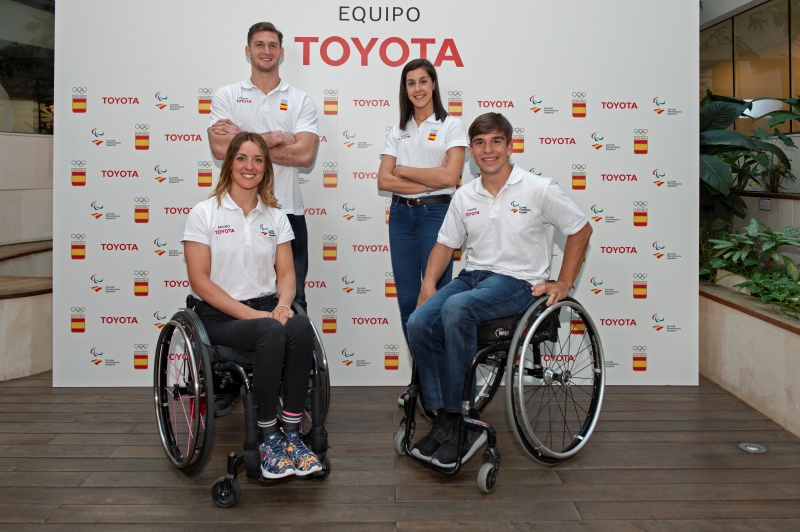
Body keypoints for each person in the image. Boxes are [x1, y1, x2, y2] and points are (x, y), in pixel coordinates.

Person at [406, 112, 593, 468]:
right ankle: (443, 417)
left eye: (495, 141)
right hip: (473, 277)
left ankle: (463, 418)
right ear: (471, 151)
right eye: (479, 143)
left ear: (509, 146)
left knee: (457, 309)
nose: (488, 149)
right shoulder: (465, 195)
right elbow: (445, 244)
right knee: (418, 322)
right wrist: (428, 285)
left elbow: (580, 229)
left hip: (519, 282)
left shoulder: (538, 188)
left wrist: (564, 282)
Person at [183, 131, 322, 479]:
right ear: (229, 163)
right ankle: (267, 436)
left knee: (300, 325)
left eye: (258, 159)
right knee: (270, 331)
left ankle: (292, 434)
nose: (250, 166)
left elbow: (287, 275)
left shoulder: (275, 216)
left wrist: (284, 305)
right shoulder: (204, 213)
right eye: (242, 158)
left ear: (266, 168)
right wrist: (255, 316)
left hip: (267, 309)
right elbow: (200, 281)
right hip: (218, 317)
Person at [208, 22, 319, 312]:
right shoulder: (226, 96)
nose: (266, 51)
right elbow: (220, 149)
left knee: (293, 302)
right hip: (236, 213)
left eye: (272, 45)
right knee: (236, 298)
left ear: (281, 53)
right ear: (248, 51)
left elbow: (305, 154)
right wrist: (278, 137)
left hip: (287, 211)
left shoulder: (300, 100)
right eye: (259, 45)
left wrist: (241, 139)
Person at [377, 58, 468, 405]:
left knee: (435, 301)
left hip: (436, 215)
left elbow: (450, 177)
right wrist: (429, 181)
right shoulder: (397, 130)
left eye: (423, 81)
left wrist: (404, 171)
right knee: (407, 302)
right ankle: (425, 383)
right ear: (405, 89)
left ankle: (444, 388)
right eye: (411, 83)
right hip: (401, 217)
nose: (417, 88)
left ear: (434, 85)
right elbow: (384, 181)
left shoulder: (451, 125)